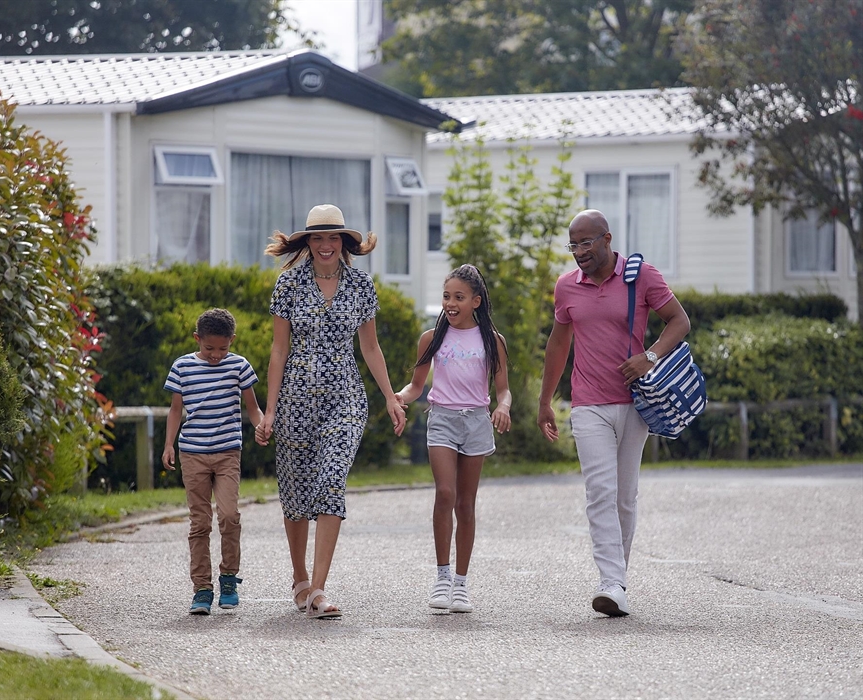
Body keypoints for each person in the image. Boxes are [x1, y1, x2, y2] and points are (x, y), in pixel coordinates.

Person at [255, 203, 406, 619]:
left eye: (333, 237)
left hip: (344, 399)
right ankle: (300, 579)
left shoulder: (361, 286)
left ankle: (319, 589)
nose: (325, 245)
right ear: (307, 243)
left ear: (344, 242)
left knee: (331, 481)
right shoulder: (287, 286)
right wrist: (269, 411)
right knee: (296, 492)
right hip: (295, 400)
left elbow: (370, 348)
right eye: (317, 238)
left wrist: (391, 396)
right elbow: (278, 350)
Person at [537, 209, 691, 617]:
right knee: (600, 493)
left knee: (625, 497)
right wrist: (545, 400)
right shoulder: (567, 287)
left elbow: (679, 321)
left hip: (635, 404)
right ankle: (611, 582)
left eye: (586, 243)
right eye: (573, 245)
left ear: (607, 239)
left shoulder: (640, 276)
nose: (579, 252)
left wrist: (650, 356)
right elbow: (558, 343)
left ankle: (616, 579)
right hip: (588, 404)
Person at [395, 264, 511, 613]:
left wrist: (502, 407)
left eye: (459, 297)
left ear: (476, 301)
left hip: (476, 421)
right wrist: (397, 399)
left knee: (466, 503)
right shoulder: (431, 338)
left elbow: (503, 390)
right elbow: (416, 387)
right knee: (446, 493)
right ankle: (442, 577)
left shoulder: (493, 340)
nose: (451, 303)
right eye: (446, 296)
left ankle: (461, 584)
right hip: (442, 419)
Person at [162, 308, 265, 615]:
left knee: (230, 515)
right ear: (198, 339)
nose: (217, 355)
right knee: (200, 522)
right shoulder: (182, 367)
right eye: (209, 348)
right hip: (192, 453)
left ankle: (229, 578)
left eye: (223, 348)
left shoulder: (239, 366)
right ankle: (202, 589)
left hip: (227, 452)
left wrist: (262, 425)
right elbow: (175, 410)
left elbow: (252, 407)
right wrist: (168, 444)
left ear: (232, 341)